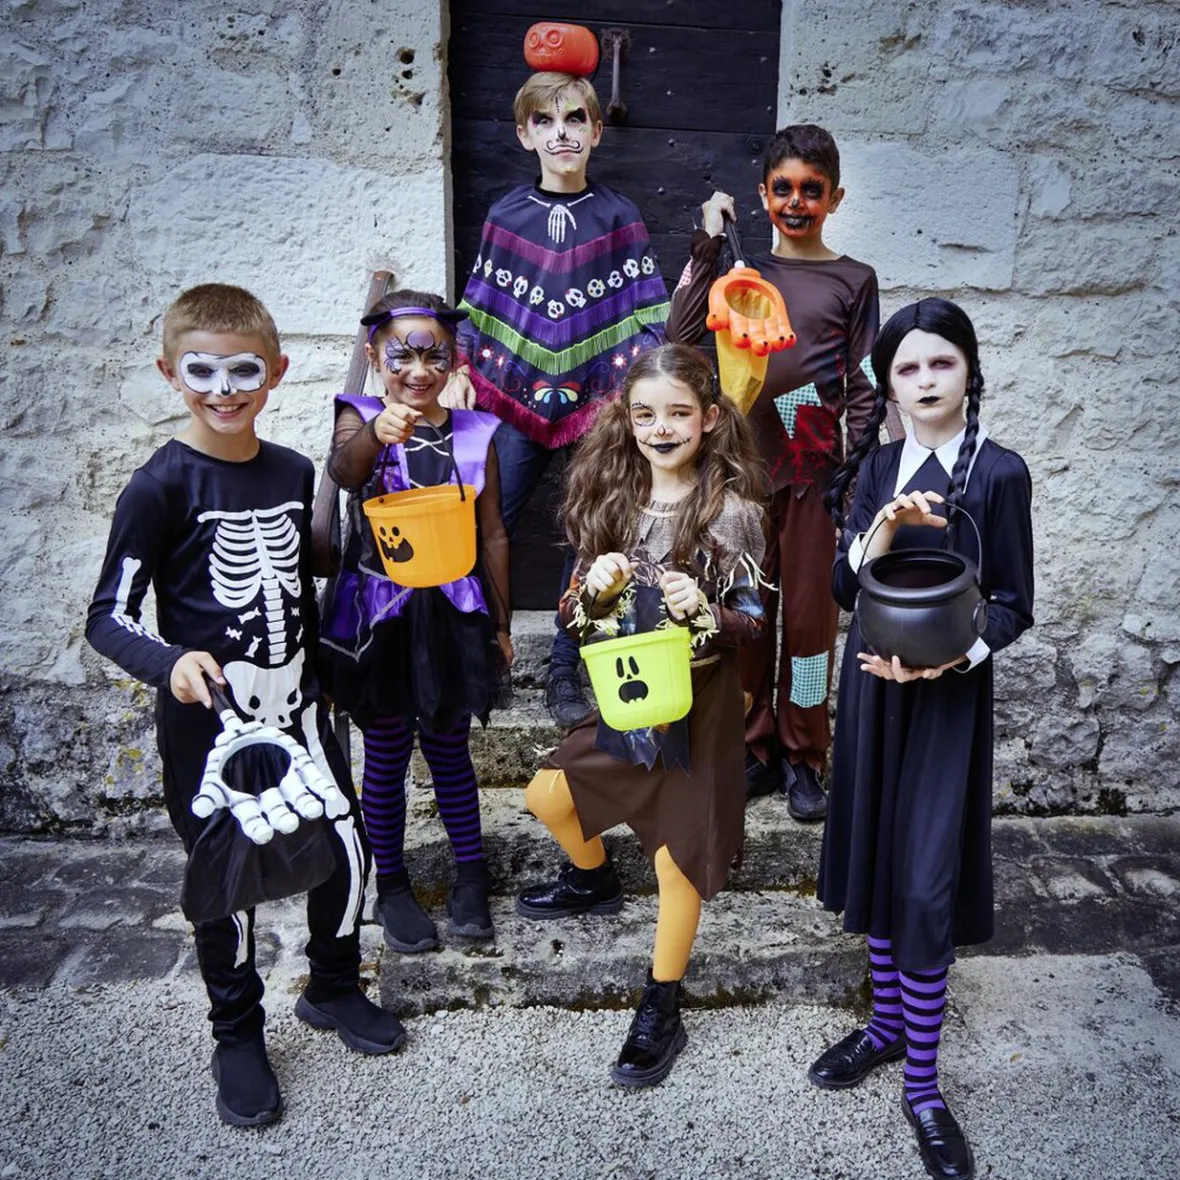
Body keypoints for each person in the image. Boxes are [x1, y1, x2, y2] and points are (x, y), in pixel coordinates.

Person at [86, 284, 405, 1128]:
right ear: (171, 374)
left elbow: (299, 584)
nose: (224, 390)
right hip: (211, 722)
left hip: (300, 706)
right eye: (203, 372)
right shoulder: (158, 486)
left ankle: (332, 986)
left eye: (244, 372)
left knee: (347, 850)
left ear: (275, 373)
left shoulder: (293, 472)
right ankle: (236, 1033)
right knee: (228, 875)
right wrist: (169, 662)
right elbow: (107, 616)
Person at [811, 298, 1034, 1180]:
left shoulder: (999, 473)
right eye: (907, 367)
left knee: (925, 881)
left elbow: (1013, 603)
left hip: (948, 702)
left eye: (942, 362)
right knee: (875, 855)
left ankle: (925, 1088)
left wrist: (952, 661)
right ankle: (885, 1027)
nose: (926, 379)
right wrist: (884, 529)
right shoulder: (878, 467)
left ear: (970, 371)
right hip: (873, 689)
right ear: (889, 386)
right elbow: (843, 590)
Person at [514, 343, 768, 1087]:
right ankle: (591, 879)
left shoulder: (736, 512)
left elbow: (755, 620)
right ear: (627, 420)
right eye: (646, 414)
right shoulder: (611, 501)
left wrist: (707, 609)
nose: (662, 428)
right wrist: (593, 593)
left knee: (675, 859)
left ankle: (662, 1002)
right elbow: (573, 614)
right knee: (548, 794)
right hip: (630, 695)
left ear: (709, 418)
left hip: (701, 703)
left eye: (678, 414)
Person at [666, 123, 901, 820]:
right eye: (783, 189)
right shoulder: (741, 273)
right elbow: (681, 337)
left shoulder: (853, 280)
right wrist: (707, 242)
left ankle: (803, 753)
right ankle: (753, 745)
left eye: (811, 190)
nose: (797, 202)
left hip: (814, 479)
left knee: (806, 626)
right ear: (763, 195)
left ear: (835, 198)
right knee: (746, 615)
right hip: (740, 476)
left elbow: (864, 382)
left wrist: (856, 475)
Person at [449, 68, 669, 729]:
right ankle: (481, 656)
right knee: (486, 523)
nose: (561, 133)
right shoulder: (506, 216)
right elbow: (481, 307)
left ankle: (566, 670)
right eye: (544, 121)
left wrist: (626, 391)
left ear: (596, 131)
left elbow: (647, 314)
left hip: (596, 404)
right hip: (515, 401)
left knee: (591, 531)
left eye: (575, 119)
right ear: (524, 134)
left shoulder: (618, 217)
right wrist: (460, 366)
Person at [319, 289, 511, 954]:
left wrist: (502, 625)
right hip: (381, 614)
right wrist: (375, 435)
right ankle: (392, 885)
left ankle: (471, 878)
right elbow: (344, 473)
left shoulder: (476, 432)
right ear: (376, 359)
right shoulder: (361, 416)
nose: (419, 371)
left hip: (454, 612)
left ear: (454, 359)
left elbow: (493, 534)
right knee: (387, 749)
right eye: (402, 357)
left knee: (450, 747)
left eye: (436, 357)